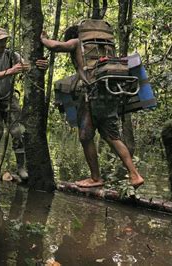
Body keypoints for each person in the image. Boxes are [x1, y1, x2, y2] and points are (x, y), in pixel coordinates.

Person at [40, 24, 144, 188]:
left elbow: (56, 46)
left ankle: (96, 178)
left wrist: (43, 39)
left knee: (86, 137)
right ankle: (134, 174)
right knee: (112, 137)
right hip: (110, 92)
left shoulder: (77, 42)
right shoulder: (104, 48)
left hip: (93, 94)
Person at [0, 27, 47, 179]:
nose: (2, 43)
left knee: (17, 132)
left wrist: (40, 65)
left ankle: (21, 167)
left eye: (4, 40)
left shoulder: (11, 55)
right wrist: (11, 71)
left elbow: (26, 66)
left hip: (9, 97)